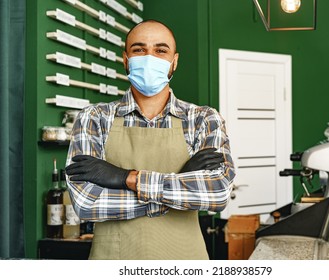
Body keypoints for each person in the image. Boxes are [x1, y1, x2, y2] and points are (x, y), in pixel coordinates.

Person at [65, 19, 235, 260]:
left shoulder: (204, 119)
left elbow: (217, 194)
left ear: (174, 61)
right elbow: (87, 203)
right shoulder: (94, 117)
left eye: (160, 50)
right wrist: (180, 183)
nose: (149, 57)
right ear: (126, 60)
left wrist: (126, 178)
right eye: (139, 49)